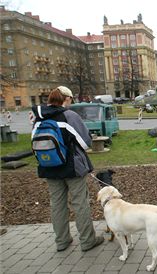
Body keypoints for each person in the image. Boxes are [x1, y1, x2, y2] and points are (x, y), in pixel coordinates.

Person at [32, 86, 104, 252]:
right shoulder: (69, 115)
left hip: (48, 166)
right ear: (66, 99)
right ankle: (87, 241)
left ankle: (62, 241)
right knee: (80, 203)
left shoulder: (39, 118)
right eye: (71, 99)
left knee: (57, 204)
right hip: (71, 167)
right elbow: (85, 142)